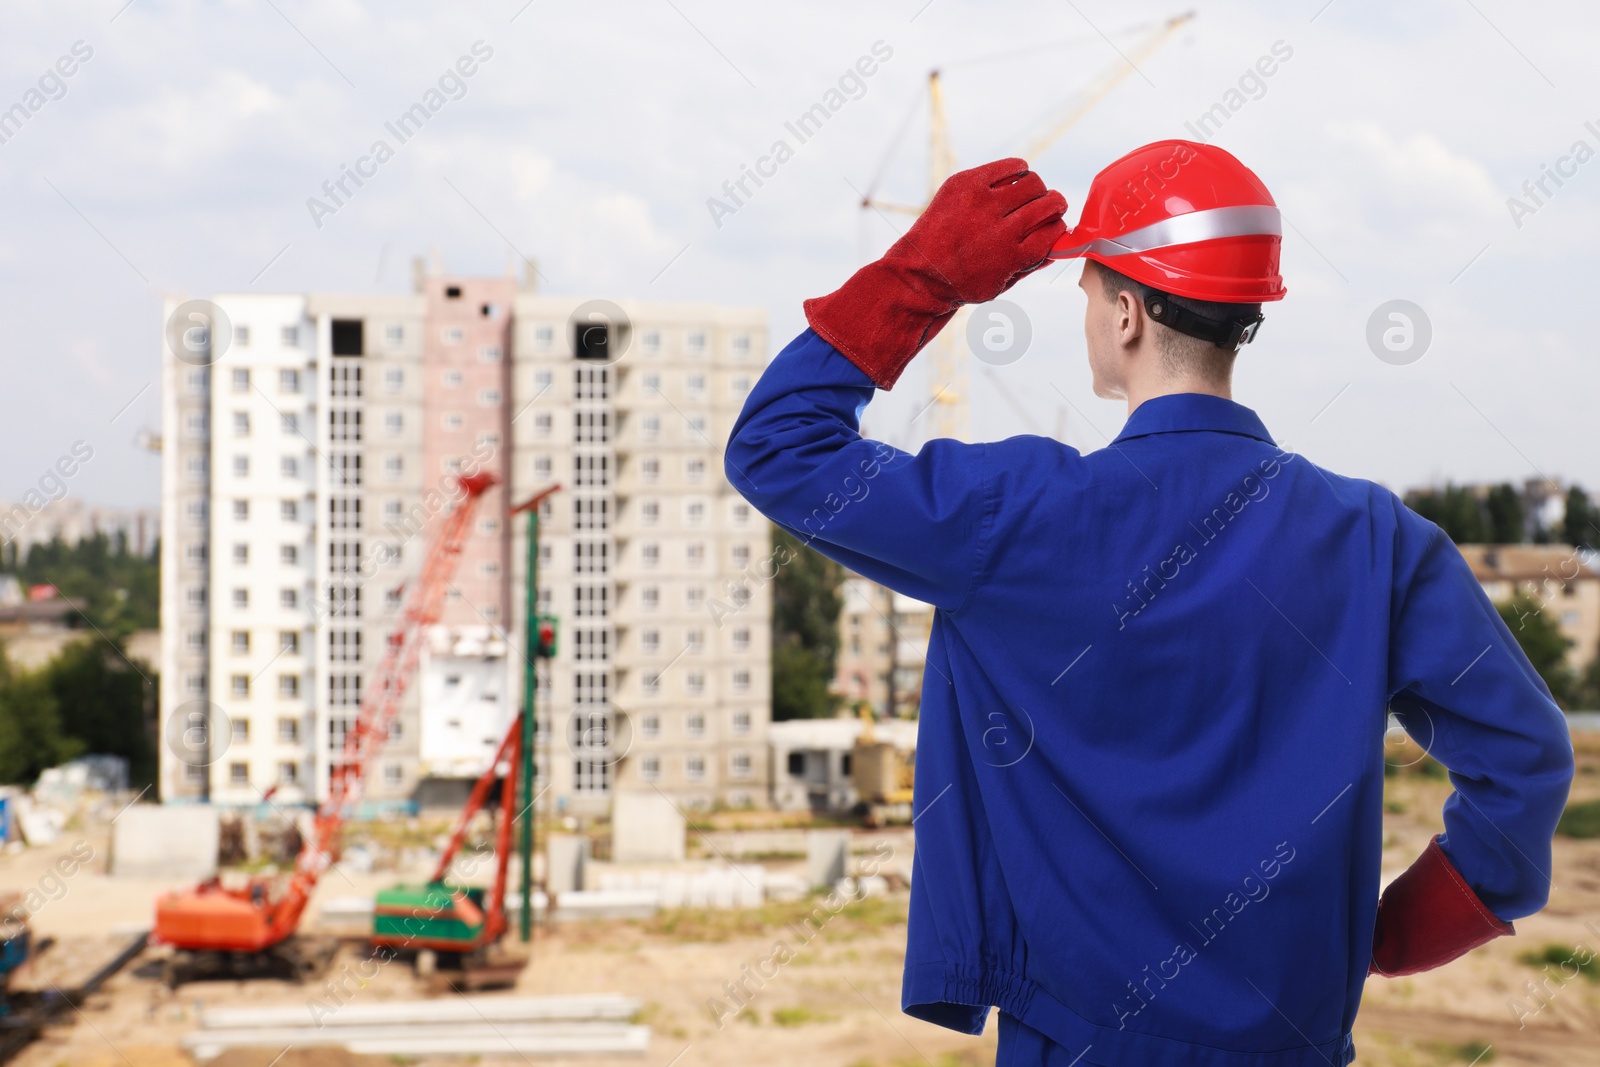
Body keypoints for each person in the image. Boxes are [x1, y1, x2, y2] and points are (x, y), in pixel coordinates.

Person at [724, 143, 1576, 1067]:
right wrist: (1392, 935)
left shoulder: (1015, 517)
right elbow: (1527, 760)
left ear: (1126, 312)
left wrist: (924, 276)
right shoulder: (1377, 540)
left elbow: (779, 442)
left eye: (1088, 291)